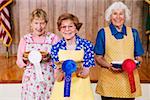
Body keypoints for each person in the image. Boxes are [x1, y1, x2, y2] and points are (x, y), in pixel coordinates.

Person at [94, 1, 144, 100]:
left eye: (121, 14)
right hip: (109, 81)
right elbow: (98, 57)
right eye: (115, 14)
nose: (118, 17)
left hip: (129, 82)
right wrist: (109, 66)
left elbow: (139, 57)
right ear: (110, 16)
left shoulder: (133, 33)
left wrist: (137, 63)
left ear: (125, 16)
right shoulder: (103, 33)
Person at [16, 8, 59, 100]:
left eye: (42, 23)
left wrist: (49, 59)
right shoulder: (25, 39)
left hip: (48, 77)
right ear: (31, 24)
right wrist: (26, 59)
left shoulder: (53, 38)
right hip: (30, 79)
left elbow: (58, 60)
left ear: (46, 23)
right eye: (36, 23)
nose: (39, 27)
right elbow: (19, 61)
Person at [50, 13, 95, 100]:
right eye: (63, 27)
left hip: (81, 91)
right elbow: (57, 78)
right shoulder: (55, 47)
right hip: (61, 92)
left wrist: (73, 67)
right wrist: (63, 70)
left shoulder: (87, 45)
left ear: (76, 28)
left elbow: (85, 73)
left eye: (70, 26)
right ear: (60, 29)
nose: (67, 29)